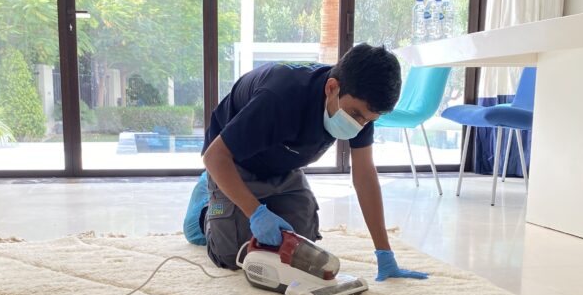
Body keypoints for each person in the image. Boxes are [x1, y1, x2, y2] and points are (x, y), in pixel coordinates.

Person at [183, 43, 428, 282]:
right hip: (233, 162)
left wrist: (384, 252)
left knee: (300, 247)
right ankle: (205, 205)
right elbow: (214, 156)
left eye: (368, 120)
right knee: (233, 252)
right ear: (332, 88)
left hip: (283, 165)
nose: (359, 125)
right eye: (355, 115)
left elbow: (364, 176)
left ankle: (247, 202)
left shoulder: (360, 109)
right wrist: (256, 213)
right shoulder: (280, 97)